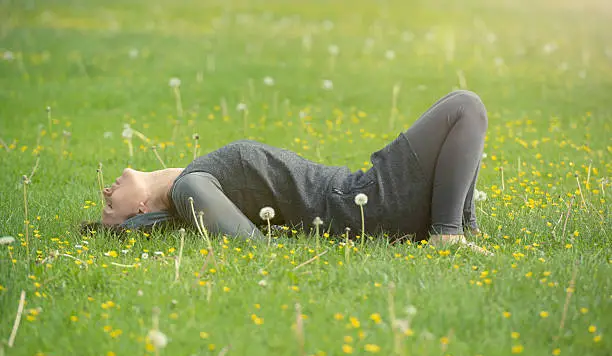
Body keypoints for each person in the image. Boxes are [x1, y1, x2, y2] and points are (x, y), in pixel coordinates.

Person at [93, 90, 492, 254]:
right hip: (363, 202)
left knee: (464, 107)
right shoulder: (190, 187)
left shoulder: (194, 179)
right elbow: (251, 245)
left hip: (365, 199)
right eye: (109, 208)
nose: (106, 193)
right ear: (141, 209)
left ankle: (458, 224)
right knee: (464, 106)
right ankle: (449, 233)